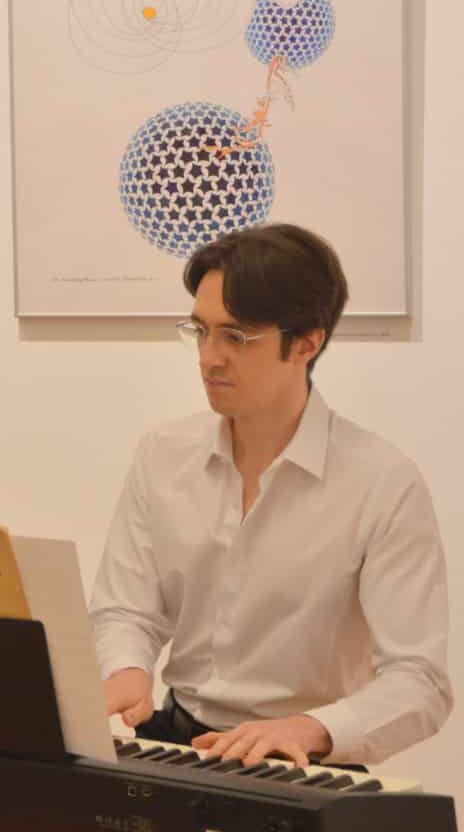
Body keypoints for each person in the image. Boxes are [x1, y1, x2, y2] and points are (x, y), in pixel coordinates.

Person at [90, 223, 451, 769]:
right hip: (176, 741)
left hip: (305, 758)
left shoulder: (382, 481)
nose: (208, 358)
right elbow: (126, 609)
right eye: (201, 331)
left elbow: (421, 682)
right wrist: (126, 669)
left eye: (236, 338)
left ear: (307, 343)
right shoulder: (162, 455)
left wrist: (312, 728)